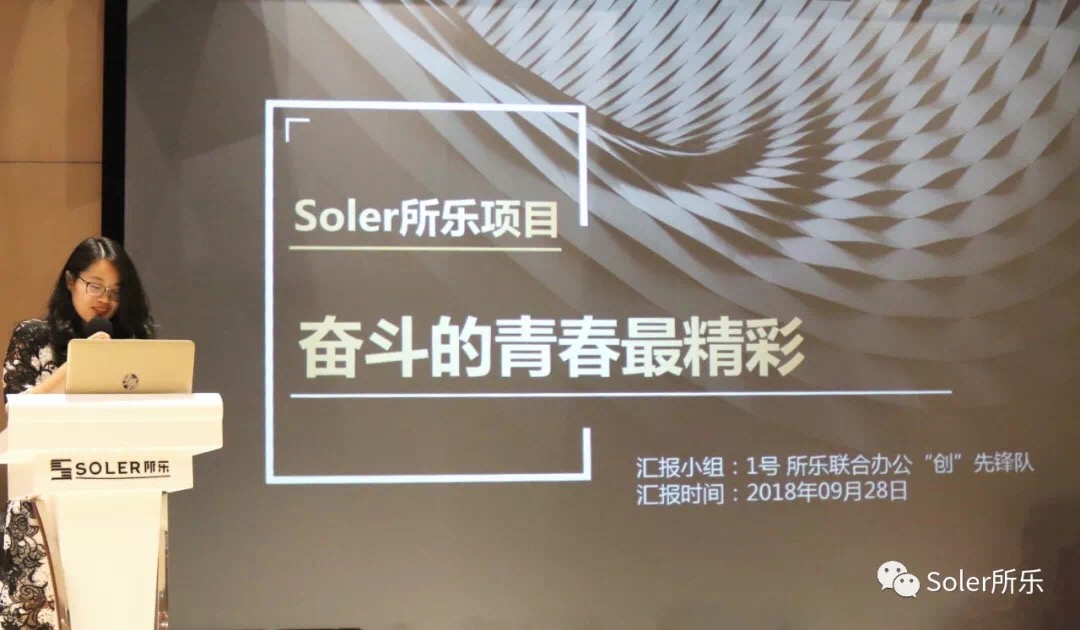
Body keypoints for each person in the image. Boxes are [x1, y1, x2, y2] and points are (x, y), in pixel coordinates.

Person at [0, 236, 155, 629]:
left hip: (116, 503)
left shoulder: (131, 345)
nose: (105, 300)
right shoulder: (33, 336)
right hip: (42, 504)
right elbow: (17, 409)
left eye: (116, 291)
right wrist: (80, 364)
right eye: (95, 286)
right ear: (71, 282)